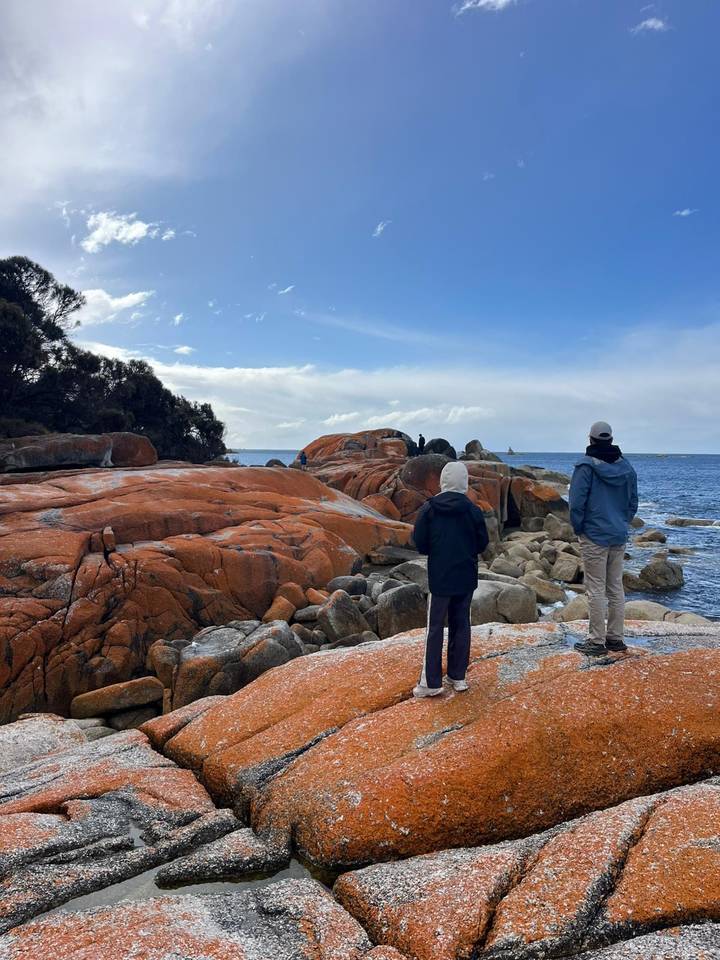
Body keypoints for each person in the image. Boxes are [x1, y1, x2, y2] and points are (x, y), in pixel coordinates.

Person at [412, 461, 489, 697]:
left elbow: (420, 543)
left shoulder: (430, 509)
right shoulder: (473, 511)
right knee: (461, 625)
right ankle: (458, 677)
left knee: (434, 628)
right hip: (465, 577)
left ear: (443, 482)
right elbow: (482, 543)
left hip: (440, 578)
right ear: (464, 483)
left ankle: (431, 683)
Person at [569, 421, 638, 657]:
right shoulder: (627, 468)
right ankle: (616, 639)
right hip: (618, 534)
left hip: (594, 535)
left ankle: (596, 641)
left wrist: (580, 529)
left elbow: (576, 503)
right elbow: (633, 503)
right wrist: (621, 522)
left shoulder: (585, 467)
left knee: (596, 588)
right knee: (615, 587)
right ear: (610, 439)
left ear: (590, 439)